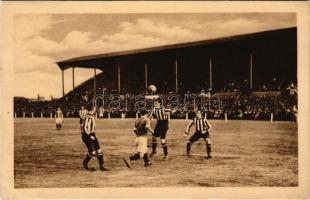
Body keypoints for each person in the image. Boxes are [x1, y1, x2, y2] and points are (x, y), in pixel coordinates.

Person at [81, 104, 108, 171]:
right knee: (92, 152)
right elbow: (84, 128)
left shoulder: (92, 116)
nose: (96, 109)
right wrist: (90, 135)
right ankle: (85, 163)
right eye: (95, 108)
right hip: (86, 136)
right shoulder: (87, 117)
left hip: (92, 134)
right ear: (92, 109)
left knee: (99, 150)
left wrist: (93, 134)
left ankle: (102, 166)